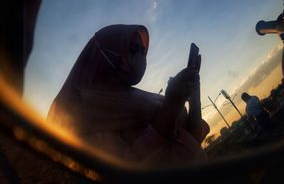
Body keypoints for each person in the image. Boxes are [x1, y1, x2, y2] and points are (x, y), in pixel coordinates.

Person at [47, 24, 209, 165]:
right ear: (103, 55)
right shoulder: (82, 120)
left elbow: (191, 138)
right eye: (132, 49)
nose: (140, 57)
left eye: (142, 51)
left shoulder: (144, 99)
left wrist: (194, 96)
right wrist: (172, 105)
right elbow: (132, 167)